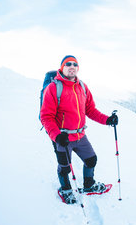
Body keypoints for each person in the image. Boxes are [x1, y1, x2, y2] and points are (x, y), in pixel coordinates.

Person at [40, 55, 118, 204]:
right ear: (62, 67)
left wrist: (108, 120)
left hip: (80, 135)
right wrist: (57, 136)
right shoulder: (53, 88)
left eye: (75, 64)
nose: (72, 67)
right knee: (64, 168)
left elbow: (91, 110)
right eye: (68, 64)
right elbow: (46, 117)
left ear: (78, 68)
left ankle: (89, 185)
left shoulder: (82, 87)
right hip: (63, 138)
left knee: (91, 160)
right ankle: (66, 189)